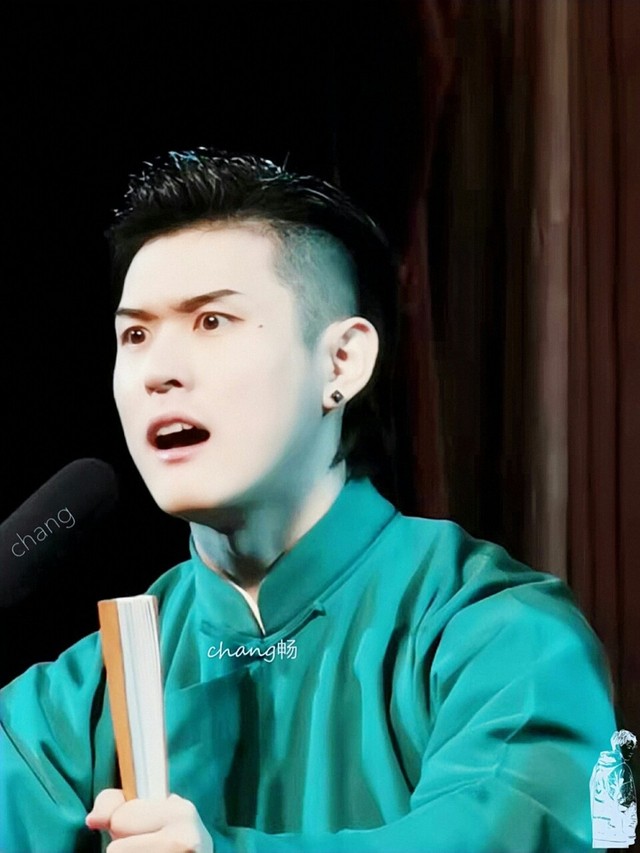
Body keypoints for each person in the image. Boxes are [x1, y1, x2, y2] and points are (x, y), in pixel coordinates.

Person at [0, 150, 618, 853]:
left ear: (341, 362)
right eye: (136, 334)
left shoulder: (503, 634)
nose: (159, 372)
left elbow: (519, 831)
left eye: (212, 322)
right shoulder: (76, 701)